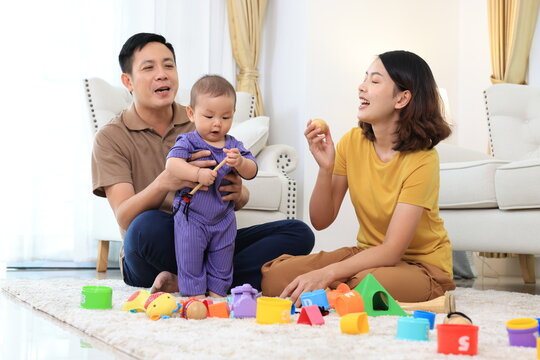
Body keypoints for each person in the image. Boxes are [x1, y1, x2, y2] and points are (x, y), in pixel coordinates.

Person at [91, 32, 314, 293]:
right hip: (156, 244)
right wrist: (165, 181)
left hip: (212, 239)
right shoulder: (110, 137)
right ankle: (218, 278)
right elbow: (126, 217)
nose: (162, 74)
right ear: (127, 81)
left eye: (169, 65)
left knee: (299, 233)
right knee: (144, 227)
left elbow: (238, 195)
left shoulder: (204, 122)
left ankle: (189, 280)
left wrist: (239, 192)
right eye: (149, 67)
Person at [261, 50, 456, 305]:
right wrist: (325, 168)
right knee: (275, 277)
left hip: (422, 267)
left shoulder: (423, 159)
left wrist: (327, 273)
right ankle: (337, 296)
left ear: (402, 98)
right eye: (365, 78)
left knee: (367, 283)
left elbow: (392, 250)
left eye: (374, 81)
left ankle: (331, 293)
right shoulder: (352, 142)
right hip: (367, 255)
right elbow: (321, 220)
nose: (361, 87)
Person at [166, 75, 258, 297]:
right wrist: (196, 173)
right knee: (190, 257)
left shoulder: (234, 145)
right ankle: (194, 294)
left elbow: (253, 170)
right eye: (208, 116)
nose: (217, 123)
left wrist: (242, 163)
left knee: (223, 258)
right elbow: (172, 164)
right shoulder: (188, 141)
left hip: (223, 217)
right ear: (191, 113)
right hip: (192, 217)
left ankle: (217, 295)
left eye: (225, 117)